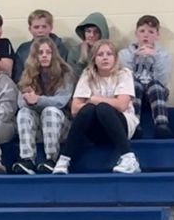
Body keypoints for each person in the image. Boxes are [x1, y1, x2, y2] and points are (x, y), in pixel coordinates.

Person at [52, 40, 141, 175]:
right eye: (100, 54)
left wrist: (94, 99)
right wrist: (94, 104)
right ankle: (64, 160)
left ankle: (129, 158)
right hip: (96, 130)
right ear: (94, 59)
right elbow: (75, 109)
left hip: (122, 125)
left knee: (102, 108)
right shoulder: (87, 74)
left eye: (109, 54)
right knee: (88, 110)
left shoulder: (124, 73)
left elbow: (122, 105)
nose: (105, 57)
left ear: (115, 58)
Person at [15, 37, 75, 174]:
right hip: (38, 127)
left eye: (48, 52)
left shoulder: (65, 72)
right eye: (40, 53)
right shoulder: (28, 73)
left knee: (50, 111)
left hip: (61, 126)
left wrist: (37, 100)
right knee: (23, 112)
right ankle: (27, 159)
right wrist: (28, 99)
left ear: (54, 54)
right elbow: (20, 103)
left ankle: (52, 159)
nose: (44, 56)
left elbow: (61, 101)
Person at [119, 16, 173, 137]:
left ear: (157, 35)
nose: (146, 35)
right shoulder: (125, 54)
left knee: (155, 85)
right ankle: (134, 125)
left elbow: (163, 80)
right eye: (142, 31)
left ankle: (162, 125)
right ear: (136, 33)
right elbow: (124, 79)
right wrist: (134, 57)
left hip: (156, 95)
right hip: (134, 95)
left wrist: (155, 57)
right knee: (135, 85)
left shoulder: (164, 55)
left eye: (151, 32)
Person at [14, 10, 75, 82]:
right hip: (30, 87)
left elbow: (65, 74)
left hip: (55, 87)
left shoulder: (60, 48)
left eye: (44, 27)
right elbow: (18, 77)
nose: (40, 30)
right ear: (30, 29)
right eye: (36, 27)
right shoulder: (23, 49)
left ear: (51, 28)